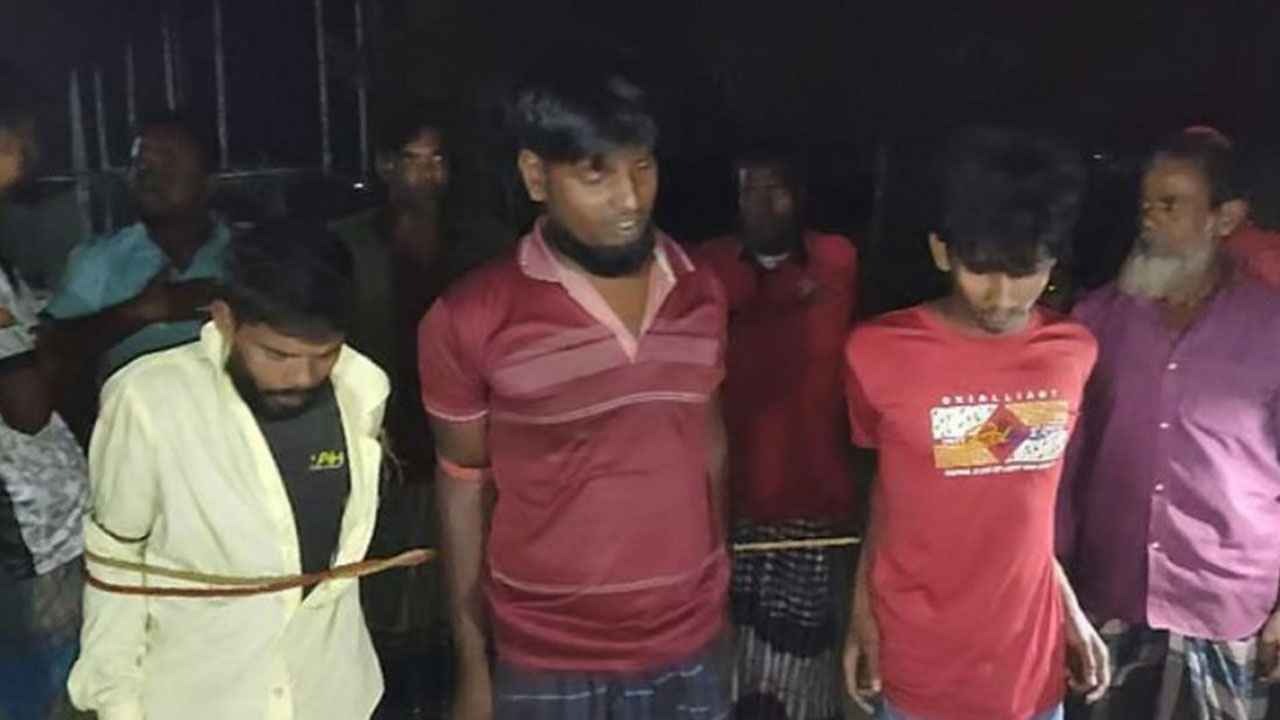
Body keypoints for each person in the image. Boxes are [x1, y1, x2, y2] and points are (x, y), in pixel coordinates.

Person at [418, 64, 731, 720]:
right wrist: (473, 665)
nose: (630, 199)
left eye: (642, 167)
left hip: (688, 644)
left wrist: (717, 601)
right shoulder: (471, 316)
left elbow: (708, 445)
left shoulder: (701, 290)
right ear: (536, 176)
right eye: (596, 175)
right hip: (545, 658)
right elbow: (463, 485)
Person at [67, 220, 391, 720]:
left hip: (331, 695)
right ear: (224, 319)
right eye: (277, 354)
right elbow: (116, 564)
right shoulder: (150, 401)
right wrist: (117, 706)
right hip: (199, 701)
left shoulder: (362, 392)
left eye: (324, 355)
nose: (302, 377)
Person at [843, 127, 1110, 720]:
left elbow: (1022, 508)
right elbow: (887, 494)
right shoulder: (877, 353)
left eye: (1024, 271)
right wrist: (861, 608)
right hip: (917, 666)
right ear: (943, 252)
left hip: (1030, 672)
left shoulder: (1073, 353)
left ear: (1053, 262)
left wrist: (1068, 609)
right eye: (981, 269)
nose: (1001, 296)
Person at [1057, 128, 1280, 720]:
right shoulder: (1096, 320)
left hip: (1230, 598)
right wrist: (1054, 584)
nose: (1150, 220)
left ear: (1225, 218)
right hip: (1111, 590)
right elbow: (1061, 469)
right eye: (1146, 205)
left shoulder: (1272, 324)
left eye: (1171, 204)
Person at [332, 99, 511, 718]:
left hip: (466, 441)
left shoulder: (484, 242)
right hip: (381, 443)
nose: (428, 174)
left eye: (438, 160)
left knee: (460, 591)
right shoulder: (351, 244)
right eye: (414, 160)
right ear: (386, 166)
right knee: (382, 596)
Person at [694, 145, 858, 720]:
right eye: (749, 189)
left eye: (775, 188)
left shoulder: (835, 258)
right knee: (727, 658)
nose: (762, 203)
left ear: (800, 194)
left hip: (812, 497)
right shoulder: (708, 266)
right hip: (728, 499)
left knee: (803, 666)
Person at [42, 108, 231, 436]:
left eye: (168, 163)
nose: (148, 175)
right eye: (140, 163)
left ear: (208, 182)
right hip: (134, 438)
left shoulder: (249, 258)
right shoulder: (99, 260)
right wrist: (138, 313)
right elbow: (50, 353)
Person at [0, 60, 91, 720]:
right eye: (25, 136)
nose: (32, 155)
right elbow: (27, 408)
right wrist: (59, 350)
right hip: (26, 550)